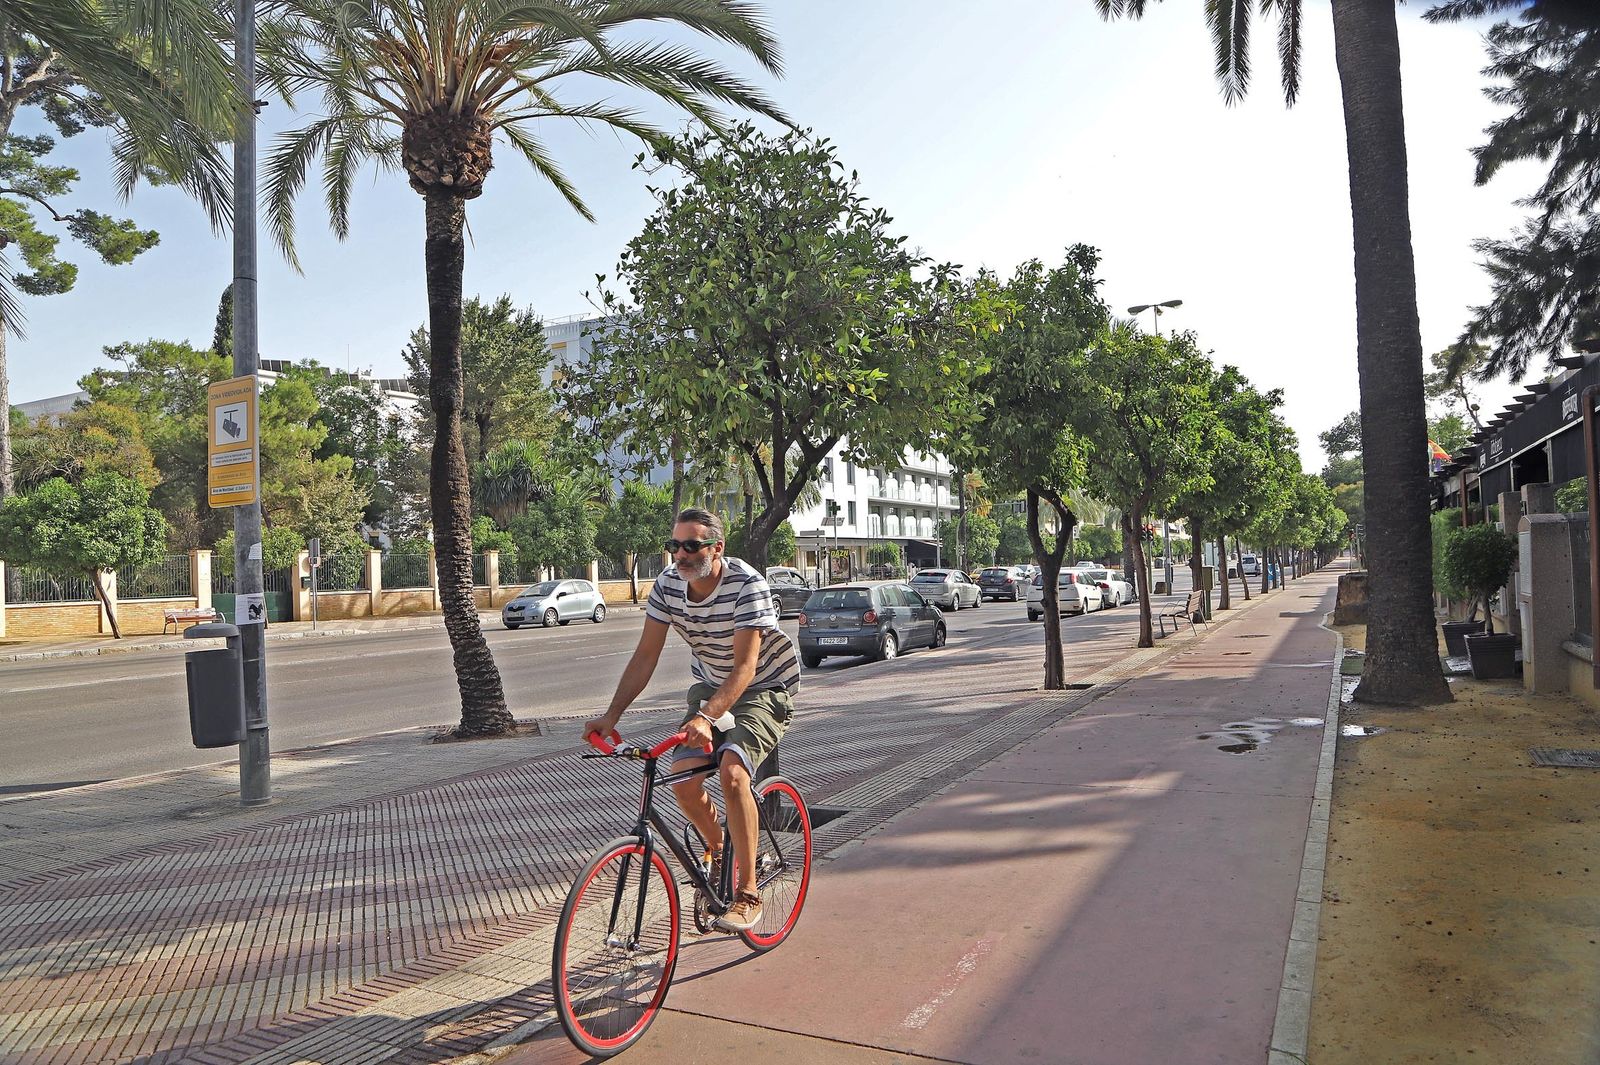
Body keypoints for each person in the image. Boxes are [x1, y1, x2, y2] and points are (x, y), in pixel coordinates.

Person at [584, 508, 799, 932]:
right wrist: (611, 716)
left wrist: (707, 717)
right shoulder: (667, 585)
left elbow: (745, 668)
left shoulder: (747, 585)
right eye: (674, 546)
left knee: (733, 774)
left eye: (691, 546)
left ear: (717, 548)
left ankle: (748, 893)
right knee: (682, 781)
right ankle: (720, 849)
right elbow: (645, 656)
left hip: (763, 687)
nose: (680, 555)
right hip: (710, 686)